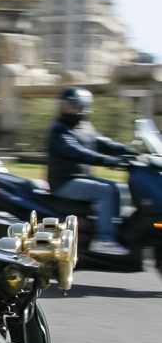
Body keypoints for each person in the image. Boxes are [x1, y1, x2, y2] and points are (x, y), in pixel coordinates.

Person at [47, 85, 132, 256]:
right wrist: (105, 160)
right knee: (107, 191)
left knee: (120, 188)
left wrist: (127, 150)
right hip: (65, 182)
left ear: (84, 107)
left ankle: (114, 229)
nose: (72, 109)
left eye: (76, 105)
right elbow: (75, 151)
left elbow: (101, 142)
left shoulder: (84, 126)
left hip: (81, 177)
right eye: (68, 105)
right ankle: (104, 239)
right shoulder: (59, 130)